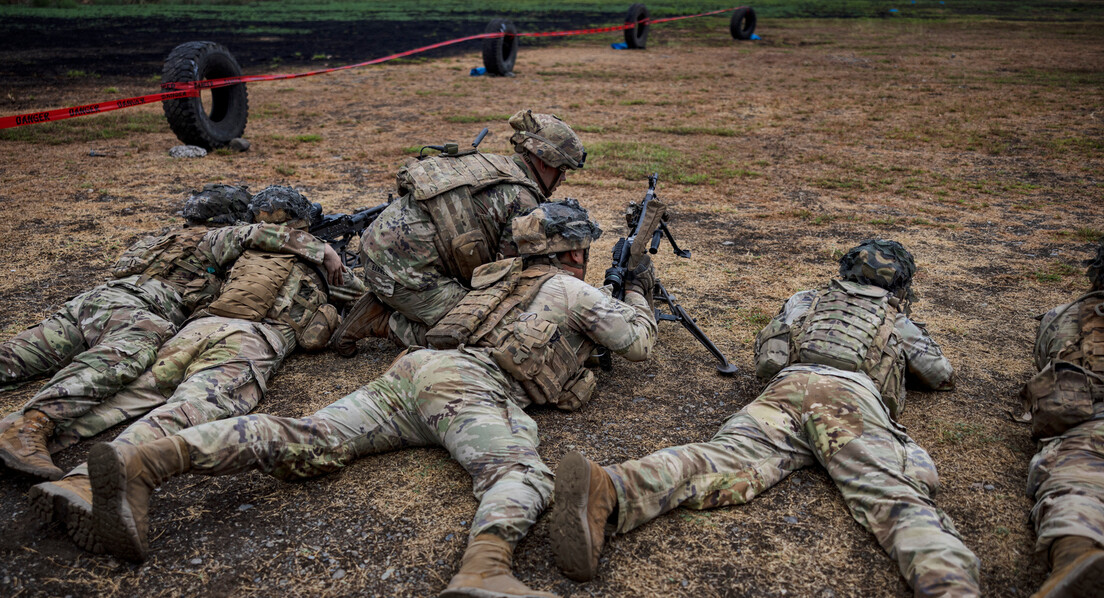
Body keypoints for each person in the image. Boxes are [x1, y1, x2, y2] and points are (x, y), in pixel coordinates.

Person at [87, 200, 655, 598]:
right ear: (574, 252)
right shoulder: (571, 288)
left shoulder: (493, 278)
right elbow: (638, 343)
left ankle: (147, 461)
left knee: (309, 434)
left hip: (413, 372)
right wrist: (636, 289)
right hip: (470, 389)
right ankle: (486, 570)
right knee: (520, 472)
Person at [548, 239, 982, 598]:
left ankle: (613, 486)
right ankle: (949, 584)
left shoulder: (806, 301)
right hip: (850, 399)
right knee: (888, 491)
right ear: (901, 284)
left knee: (721, 459)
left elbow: (768, 360)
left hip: (785, 390)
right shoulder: (896, 317)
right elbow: (940, 375)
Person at [27, 185, 364, 553]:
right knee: (189, 409)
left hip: (198, 327)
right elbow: (361, 306)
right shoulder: (321, 261)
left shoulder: (235, 245)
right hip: (250, 339)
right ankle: (86, 482)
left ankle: (36, 430)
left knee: (132, 394)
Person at [330, 109, 586, 353]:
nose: (563, 178)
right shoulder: (523, 200)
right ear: (543, 162)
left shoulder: (493, 164)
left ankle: (394, 300)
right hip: (403, 273)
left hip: (377, 252)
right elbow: (504, 278)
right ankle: (383, 322)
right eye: (562, 169)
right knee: (484, 333)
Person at [1020, 241, 1104, 597]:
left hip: (1089, 422)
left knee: (1074, 485)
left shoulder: (1063, 316)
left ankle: (1077, 555)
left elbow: (1047, 361)